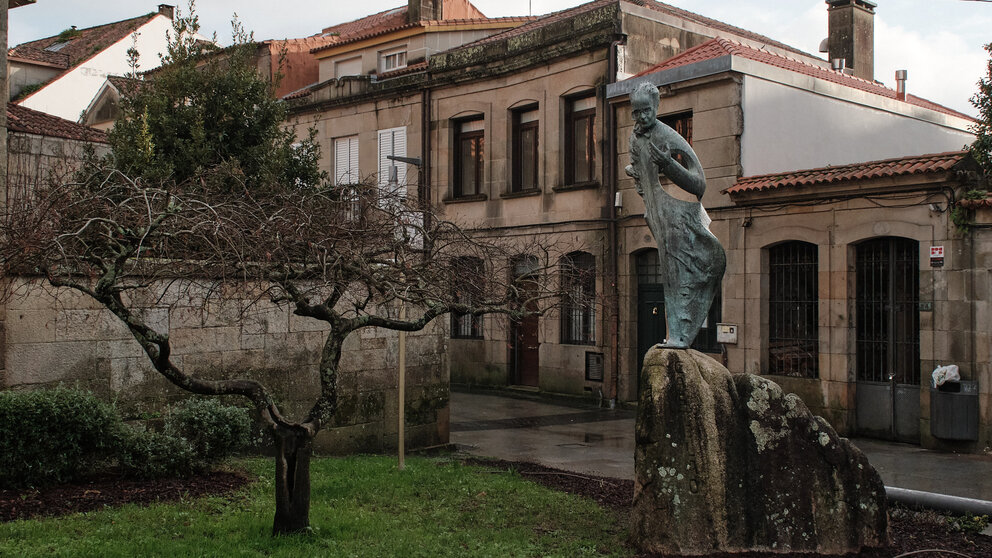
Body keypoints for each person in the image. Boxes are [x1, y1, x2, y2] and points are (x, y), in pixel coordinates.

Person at [625, 81, 725, 349]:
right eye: (636, 112)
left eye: (646, 110)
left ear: (656, 107)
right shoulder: (634, 138)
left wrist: (668, 165)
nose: (642, 117)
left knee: (682, 276)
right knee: (670, 275)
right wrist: (636, 173)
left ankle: (680, 335)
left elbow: (699, 184)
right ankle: (676, 335)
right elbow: (640, 175)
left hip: (678, 218)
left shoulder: (667, 136)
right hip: (657, 217)